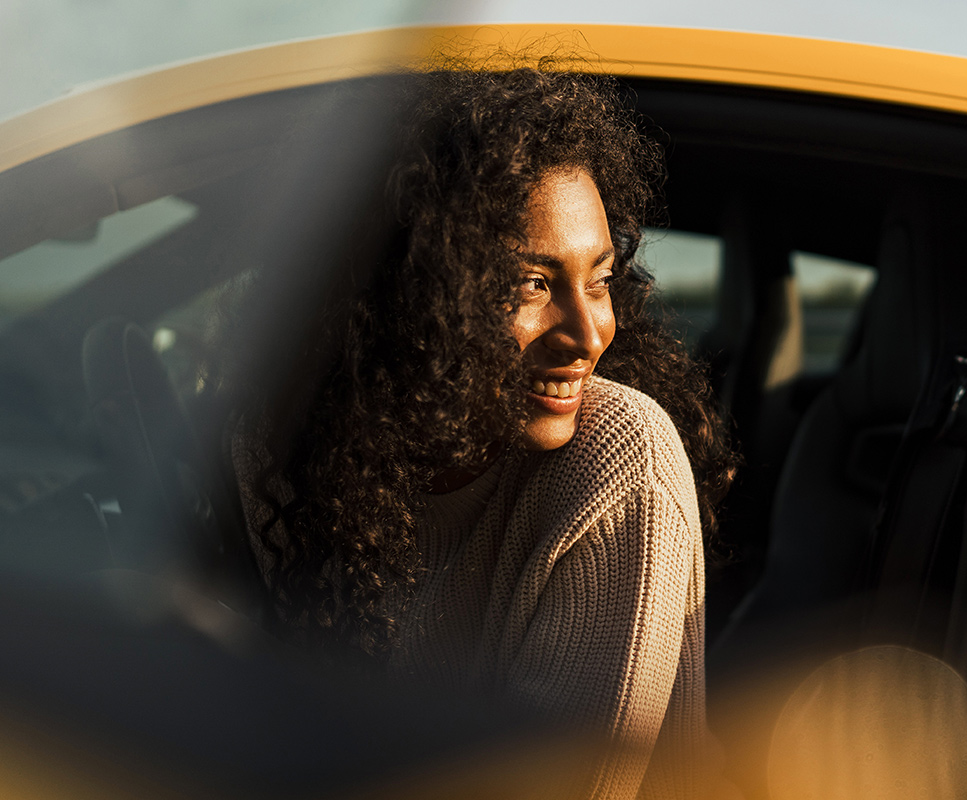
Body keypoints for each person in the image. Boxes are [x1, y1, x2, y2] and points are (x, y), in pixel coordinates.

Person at [232, 64, 737, 800]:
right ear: (407, 296)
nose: (590, 331)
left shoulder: (622, 460)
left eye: (599, 278)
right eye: (529, 284)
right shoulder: (288, 453)